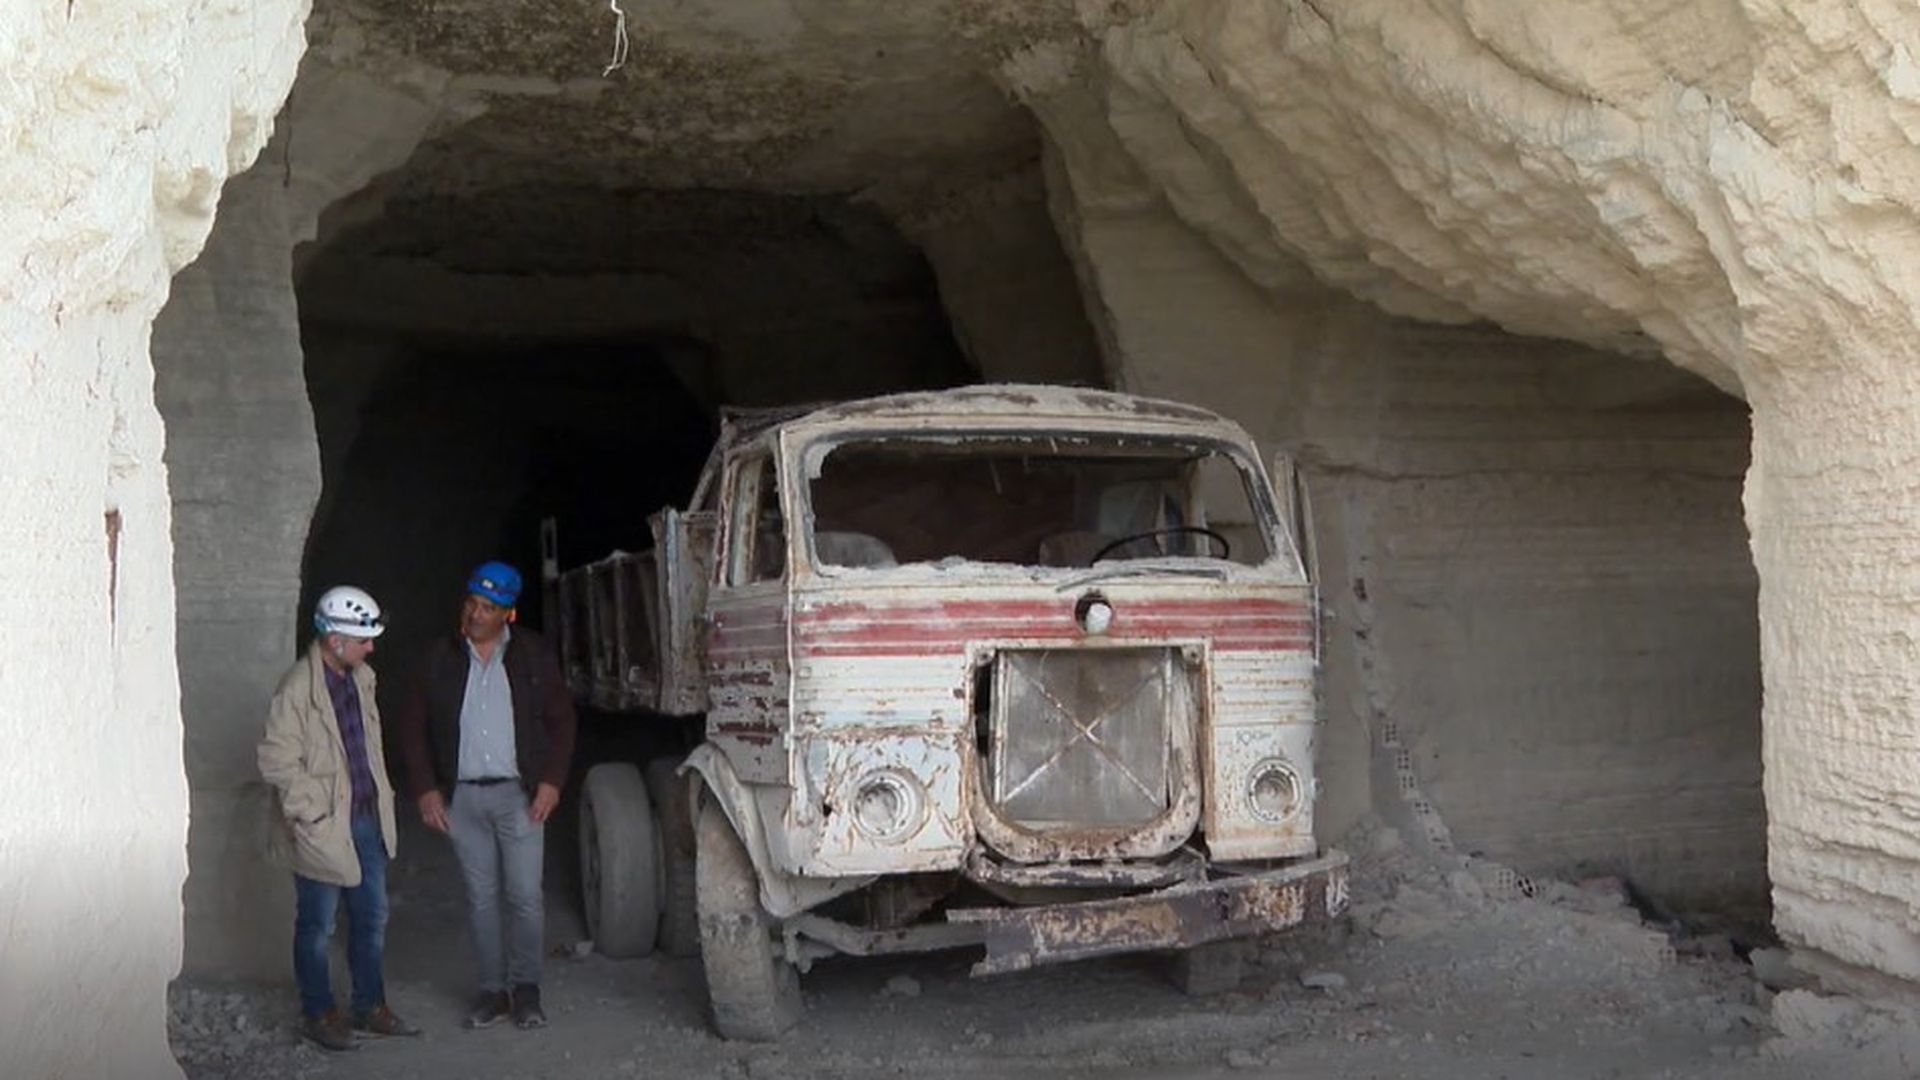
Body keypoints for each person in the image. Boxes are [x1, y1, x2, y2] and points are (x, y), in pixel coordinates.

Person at [395, 560, 577, 1030]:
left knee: (525, 898)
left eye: (489, 608)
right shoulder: (439, 657)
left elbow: (562, 722)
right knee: (481, 899)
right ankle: (493, 992)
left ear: (507, 615)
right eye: (472, 603)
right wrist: (426, 790)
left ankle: (528, 989)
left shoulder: (532, 657)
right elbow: (412, 727)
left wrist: (552, 781)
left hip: (520, 798)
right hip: (465, 801)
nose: (476, 614)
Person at [258, 585, 420, 1051]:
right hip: (325, 826)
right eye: (362, 639)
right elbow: (275, 759)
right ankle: (319, 1013)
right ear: (334, 641)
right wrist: (313, 814)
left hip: (365, 818)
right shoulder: (296, 690)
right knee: (318, 925)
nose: (371, 647)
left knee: (372, 917)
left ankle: (370, 1006)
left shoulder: (360, 678)